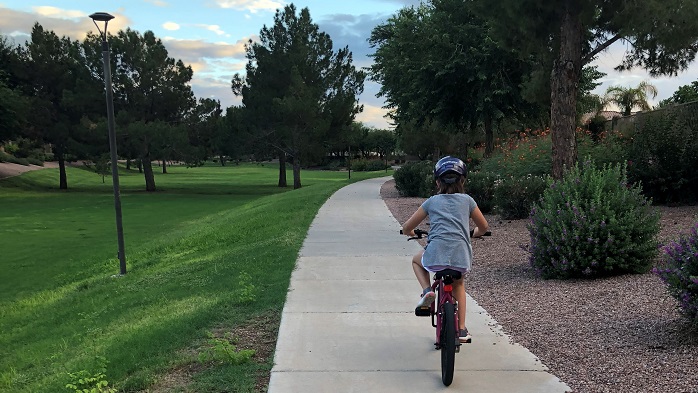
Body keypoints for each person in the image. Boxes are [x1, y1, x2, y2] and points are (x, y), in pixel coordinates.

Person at [401, 156, 489, 343]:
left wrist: (409, 231)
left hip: (435, 255)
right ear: (463, 180)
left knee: (417, 260)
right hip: (460, 257)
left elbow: (408, 226)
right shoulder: (468, 201)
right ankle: (462, 329)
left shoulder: (432, 202)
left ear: (437, 181)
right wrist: (473, 233)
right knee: (459, 285)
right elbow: (484, 227)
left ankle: (427, 292)